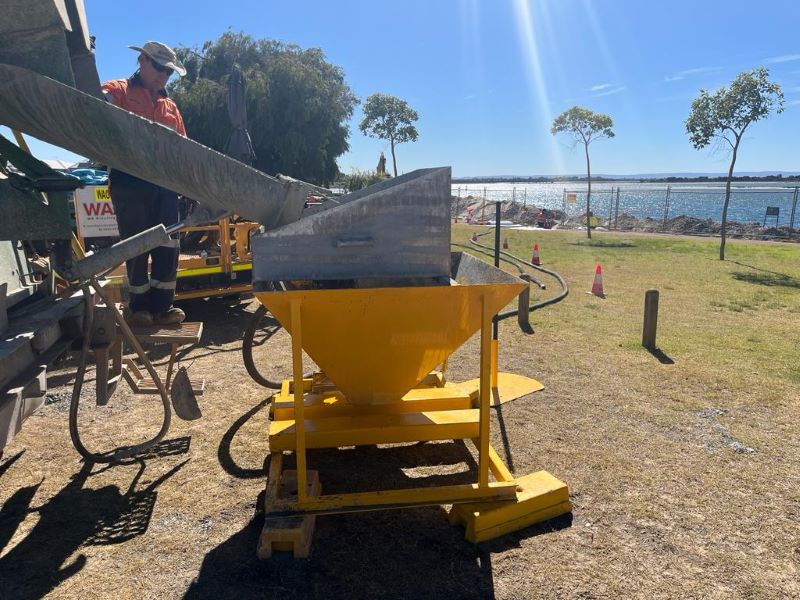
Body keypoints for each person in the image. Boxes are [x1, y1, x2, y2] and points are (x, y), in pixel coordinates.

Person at [102, 41, 187, 326]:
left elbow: (184, 150)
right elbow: (93, 110)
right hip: (130, 183)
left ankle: (163, 308)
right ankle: (139, 309)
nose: (164, 76)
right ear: (142, 60)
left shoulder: (171, 108)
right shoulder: (118, 91)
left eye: (169, 72)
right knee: (137, 246)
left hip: (166, 186)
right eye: (161, 68)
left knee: (168, 246)